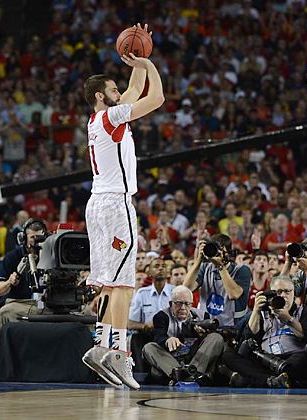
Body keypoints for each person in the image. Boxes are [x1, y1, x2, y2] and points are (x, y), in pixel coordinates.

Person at [81, 23, 165, 391]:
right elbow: (155, 98)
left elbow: (131, 90)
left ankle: (100, 345)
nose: (122, 92)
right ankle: (121, 352)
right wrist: (149, 65)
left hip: (96, 203)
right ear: (102, 96)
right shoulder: (113, 117)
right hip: (116, 204)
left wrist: (135, 61)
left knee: (106, 282)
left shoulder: (98, 118)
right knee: (124, 282)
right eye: (114, 90)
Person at [0, 218, 47, 379]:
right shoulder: (13, 257)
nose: (37, 241)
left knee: (86, 312)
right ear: (23, 238)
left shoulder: (51, 255)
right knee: (2, 313)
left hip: (48, 304)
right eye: (33, 237)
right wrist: (11, 281)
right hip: (20, 303)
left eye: (40, 237)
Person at [220, 275, 307, 388]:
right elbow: (250, 335)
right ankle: (273, 380)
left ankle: (261, 379)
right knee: (228, 356)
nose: (283, 296)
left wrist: (289, 319)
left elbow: (305, 336)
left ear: (294, 293)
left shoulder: (304, 311)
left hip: (292, 358)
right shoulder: (263, 312)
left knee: (304, 358)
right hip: (265, 359)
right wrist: (256, 310)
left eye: (287, 292)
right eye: (278, 292)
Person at [142, 286, 224, 385]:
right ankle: (185, 376)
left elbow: (209, 346)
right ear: (171, 303)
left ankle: (188, 376)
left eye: (187, 304)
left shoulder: (203, 316)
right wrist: (168, 340)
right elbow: (158, 336)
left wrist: (203, 336)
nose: (183, 308)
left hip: (195, 360)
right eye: (178, 303)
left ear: (191, 304)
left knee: (216, 338)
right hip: (170, 361)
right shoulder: (162, 316)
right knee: (149, 347)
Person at [184, 234, 251, 328]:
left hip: (233, 328)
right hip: (206, 325)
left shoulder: (242, 270)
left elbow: (234, 294)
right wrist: (199, 260)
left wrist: (220, 266)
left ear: (227, 252)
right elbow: (186, 289)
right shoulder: (205, 267)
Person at [128, 258, 174, 372]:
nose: (161, 268)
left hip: (171, 335)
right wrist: (145, 326)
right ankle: (140, 374)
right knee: (135, 338)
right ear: (149, 272)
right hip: (149, 335)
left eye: (163, 266)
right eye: (157, 266)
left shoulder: (175, 292)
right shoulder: (142, 293)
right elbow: (129, 323)